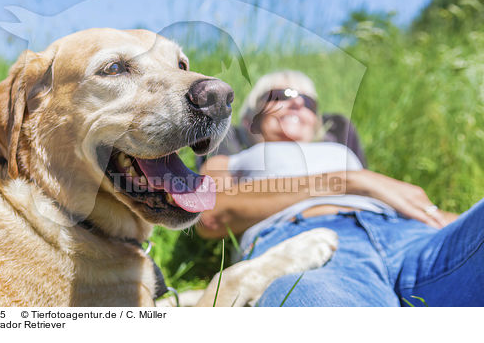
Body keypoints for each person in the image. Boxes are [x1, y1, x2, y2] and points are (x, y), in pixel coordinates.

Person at [196, 70, 484, 307]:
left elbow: (424, 211)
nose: (297, 105)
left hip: (410, 237)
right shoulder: (230, 159)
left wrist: (462, 230)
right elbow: (210, 214)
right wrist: (351, 181)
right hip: (308, 250)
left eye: (308, 103)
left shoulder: (337, 150)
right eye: (279, 97)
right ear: (249, 121)